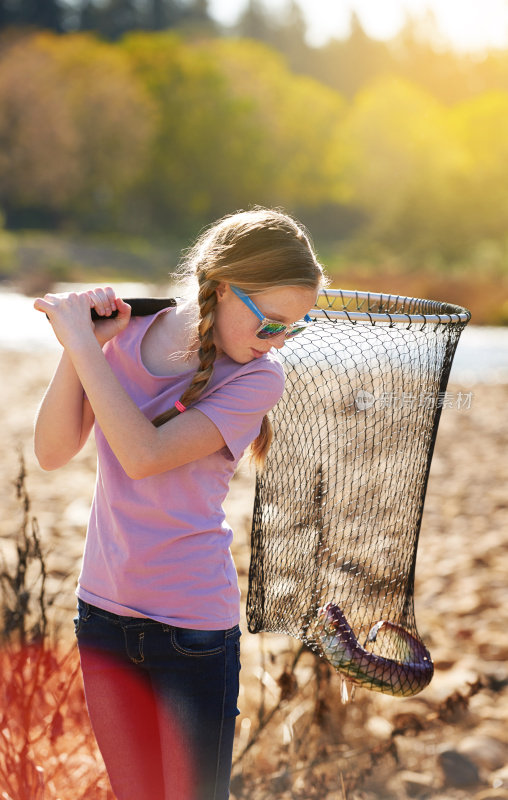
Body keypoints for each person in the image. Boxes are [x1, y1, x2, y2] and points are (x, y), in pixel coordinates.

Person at [33, 207, 327, 800]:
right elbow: (52, 451)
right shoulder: (127, 337)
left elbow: (144, 455)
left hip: (192, 631)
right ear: (222, 286)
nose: (277, 341)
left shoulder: (258, 380)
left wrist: (85, 349)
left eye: (293, 328)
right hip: (102, 616)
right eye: (270, 322)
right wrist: (81, 348)